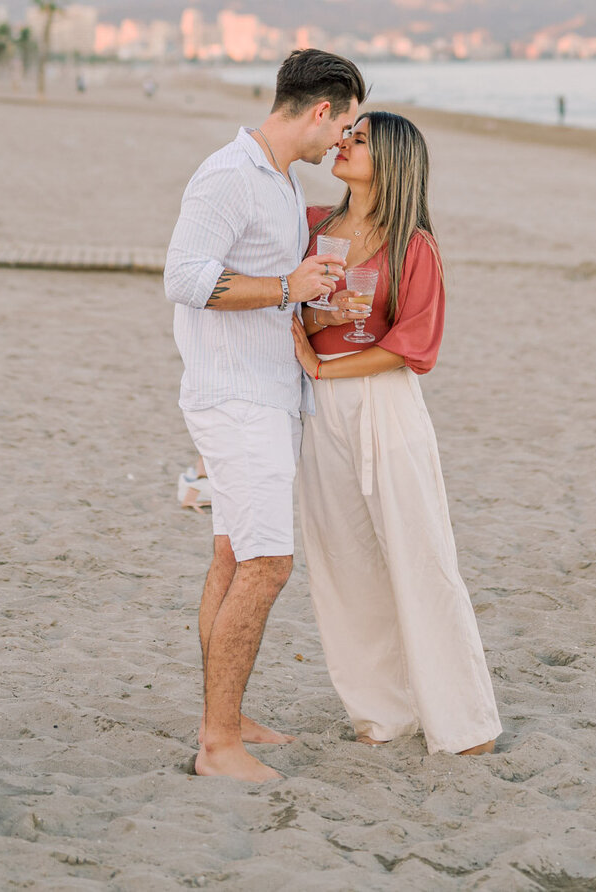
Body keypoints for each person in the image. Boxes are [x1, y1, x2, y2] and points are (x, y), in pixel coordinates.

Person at [164, 48, 367, 782]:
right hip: (235, 398)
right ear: (321, 110)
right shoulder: (228, 175)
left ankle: (227, 716)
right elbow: (184, 278)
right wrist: (287, 284)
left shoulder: (278, 180)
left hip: (265, 391)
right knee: (267, 565)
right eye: (344, 126)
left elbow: (270, 283)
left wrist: (305, 294)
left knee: (232, 557)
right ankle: (218, 745)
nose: (342, 142)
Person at [292, 111, 502, 756]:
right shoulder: (311, 227)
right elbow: (284, 295)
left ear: (392, 162)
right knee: (343, 562)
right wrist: (304, 329)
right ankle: (381, 713)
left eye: (360, 140)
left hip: (383, 403)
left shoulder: (413, 245)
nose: (343, 144)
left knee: (420, 556)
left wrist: (324, 362)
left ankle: (463, 722)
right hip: (319, 411)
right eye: (345, 134)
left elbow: (414, 346)